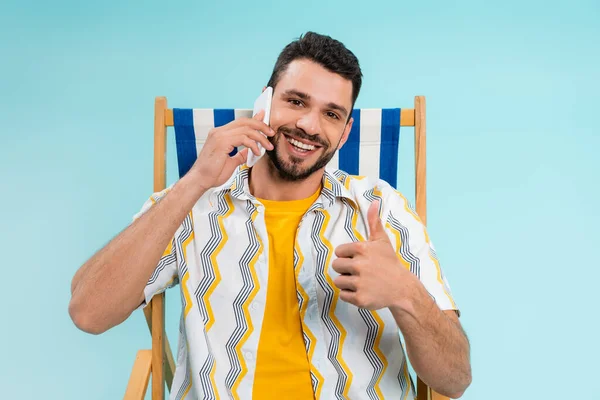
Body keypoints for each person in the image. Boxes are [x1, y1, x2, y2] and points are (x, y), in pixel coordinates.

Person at [69, 32, 471, 400]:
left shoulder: (381, 208)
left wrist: (405, 293)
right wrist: (194, 183)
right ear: (264, 102)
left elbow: (455, 379)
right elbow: (88, 312)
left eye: (331, 114)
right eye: (296, 101)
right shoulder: (194, 203)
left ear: (345, 132)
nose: (308, 125)